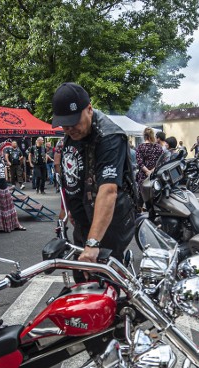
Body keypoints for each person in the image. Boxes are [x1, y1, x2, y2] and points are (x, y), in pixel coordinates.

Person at [52, 82, 136, 262]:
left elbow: (108, 191)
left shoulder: (109, 136)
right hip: (84, 221)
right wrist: (66, 211)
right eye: (63, 124)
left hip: (110, 223)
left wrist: (92, 244)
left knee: (102, 280)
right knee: (81, 276)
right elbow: (70, 176)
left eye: (73, 121)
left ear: (89, 109)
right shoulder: (73, 134)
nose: (68, 128)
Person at [0, 143, 27, 233]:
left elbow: (4, 167)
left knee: (10, 207)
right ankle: (3, 227)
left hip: (4, 185)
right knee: (1, 209)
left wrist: (6, 177)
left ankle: (15, 225)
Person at [136, 127, 164, 196]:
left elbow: (140, 163)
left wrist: (147, 171)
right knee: (155, 196)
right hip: (155, 176)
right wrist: (152, 171)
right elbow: (162, 161)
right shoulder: (159, 147)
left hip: (143, 176)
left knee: (142, 197)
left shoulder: (140, 147)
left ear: (144, 136)